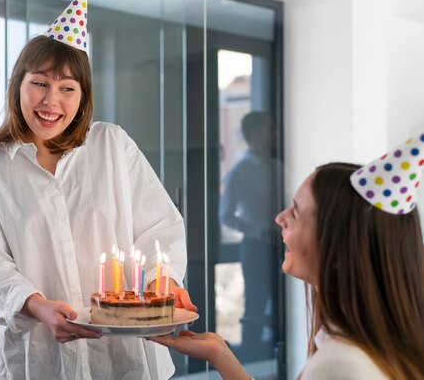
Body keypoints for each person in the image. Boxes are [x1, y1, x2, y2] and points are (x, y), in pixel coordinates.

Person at [0, 0, 196, 379]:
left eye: (67, 88)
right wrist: (38, 306)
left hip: (121, 357)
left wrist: (164, 281)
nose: (51, 101)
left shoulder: (112, 144)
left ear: (82, 97)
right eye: (39, 83)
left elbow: (161, 226)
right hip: (34, 359)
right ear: (18, 84)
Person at [151, 133, 424, 379]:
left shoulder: (340, 366)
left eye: (295, 212)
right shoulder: (369, 349)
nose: (280, 218)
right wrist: (219, 353)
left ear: (337, 250)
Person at [219, 111, 280, 359]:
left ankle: (273, 354)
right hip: (255, 246)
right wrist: (261, 230)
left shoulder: (278, 167)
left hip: (282, 245)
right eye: (270, 129)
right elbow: (225, 214)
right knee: (255, 303)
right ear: (255, 135)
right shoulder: (240, 171)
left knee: (279, 302)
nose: (275, 134)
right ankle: (252, 361)